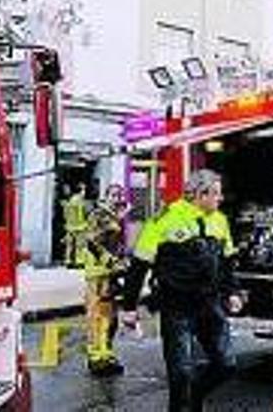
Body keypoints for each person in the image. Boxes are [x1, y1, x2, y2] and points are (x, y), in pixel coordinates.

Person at [121, 169, 241, 411]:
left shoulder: (220, 220)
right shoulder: (164, 218)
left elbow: (227, 263)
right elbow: (139, 265)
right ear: (200, 194)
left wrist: (232, 292)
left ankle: (195, 396)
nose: (220, 198)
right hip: (177, 307)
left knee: (226, 364)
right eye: (216, 194)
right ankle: (184, 404)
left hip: (210, 304)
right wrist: (129, 307)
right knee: (180, 375)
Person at [79, 184, 130, 377]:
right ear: (106, 196)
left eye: (120, 195)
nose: (118, 199)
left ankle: (106, 354)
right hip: (98, 274)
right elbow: (92, 242)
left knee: (110, 317)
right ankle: (96, 358)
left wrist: (122, 262)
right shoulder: (99, 215)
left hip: (110, 275)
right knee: (97, 316)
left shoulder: (114, 216)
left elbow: (117, 244)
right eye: (114, 195)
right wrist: (110, 262)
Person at [62, 183, 90, 268]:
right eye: (83, 190)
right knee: (80, 246)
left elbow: (65, 214)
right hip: (80, 226)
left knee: (69, 245)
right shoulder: (80, 200)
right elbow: (84, 212)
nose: (84, 192)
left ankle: (68, 261)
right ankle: (79, 262)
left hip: (70, 226)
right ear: (80, 191)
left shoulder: (69, 201)